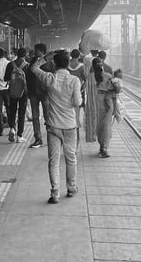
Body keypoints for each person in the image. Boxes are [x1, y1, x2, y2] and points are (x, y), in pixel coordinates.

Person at [30, 50, 83, 204]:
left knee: (53, 160)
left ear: (54, 63)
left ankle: (55, 193)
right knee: (70, 158)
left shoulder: (50, 78)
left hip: (53, 126)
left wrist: (45, 57)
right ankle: (71, 188)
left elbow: (34, 68)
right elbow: (77, 103)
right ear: (68, 64)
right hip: (69, 126)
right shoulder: (74, 80)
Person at [25, 44, 50, 149]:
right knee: (35, 117)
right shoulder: (32, 61)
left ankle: (51, 137)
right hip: (34, 93)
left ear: (41, 51)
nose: (34, 52)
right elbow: (28, 75)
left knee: (48, 116)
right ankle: (38, 139)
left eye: (36, 50)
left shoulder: (49, 63)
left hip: (44, 93)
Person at [91, 59, 117, 158]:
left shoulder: (90, 78)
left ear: (92, 66)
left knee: (98, 126)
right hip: (107, 104)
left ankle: (102, 145)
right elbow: (114, 94)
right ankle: (104, 147)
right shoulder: (109, 76)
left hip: (95, 103)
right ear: (102, 66)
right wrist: (115, 108)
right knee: (106, 127)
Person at [3, 48, 29, 143]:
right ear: (25, 55)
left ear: (16, 54)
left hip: (12, 91)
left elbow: (5, 78)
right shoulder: (27, 66)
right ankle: (19, 135)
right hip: (23, 92)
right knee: (21, 112)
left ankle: (12, 128)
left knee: (12, 110)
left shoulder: (10, 64)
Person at [82, 53, 100, 144]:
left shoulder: (89, 76)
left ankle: (91, 136)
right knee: (99, 118)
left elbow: (83, 87)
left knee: (91, 117)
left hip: (90, 101)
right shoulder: (103, 76)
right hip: (100, 101)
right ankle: (99, 135)